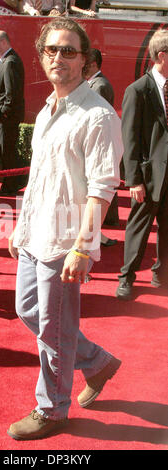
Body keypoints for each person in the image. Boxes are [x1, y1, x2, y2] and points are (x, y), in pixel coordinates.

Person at [7, 17, 123, 440]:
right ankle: (96, 362)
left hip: (64, 241)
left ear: (85, 59)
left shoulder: (98, 115)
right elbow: (39, 178)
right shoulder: (45, 110)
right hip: (36, 234)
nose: (59, 57)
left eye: (69, 50)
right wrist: (19, 230)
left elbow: (102, 188)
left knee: (53, 331)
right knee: (29, 311)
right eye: (52, 50)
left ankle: (53, 408)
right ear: (42, 56)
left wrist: (82, 247)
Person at [116, 29, 168, 301]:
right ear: (161, 56)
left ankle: (162, 274)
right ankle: (126, 277)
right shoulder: (137, 90)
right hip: (147, 177)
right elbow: (130, 139)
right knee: (138, 229)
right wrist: (134, 179)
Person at [87, 47, 119, 246]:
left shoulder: (100, 85)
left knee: (102, 182)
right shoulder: (94, 84)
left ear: (93, 64)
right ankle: (108, 220)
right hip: (97, 142)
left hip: (99, 142)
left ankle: (105, 221)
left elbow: (97, 117)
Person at [0, 31, 25, 196]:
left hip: (6, 118)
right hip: (3, 117)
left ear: (3, 42)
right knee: (7, 151)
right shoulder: (5, 60)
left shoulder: (10, 62)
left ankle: (11, 185)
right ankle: (13, 183)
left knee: (8, 152)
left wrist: (2, 113)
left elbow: (12, 94)